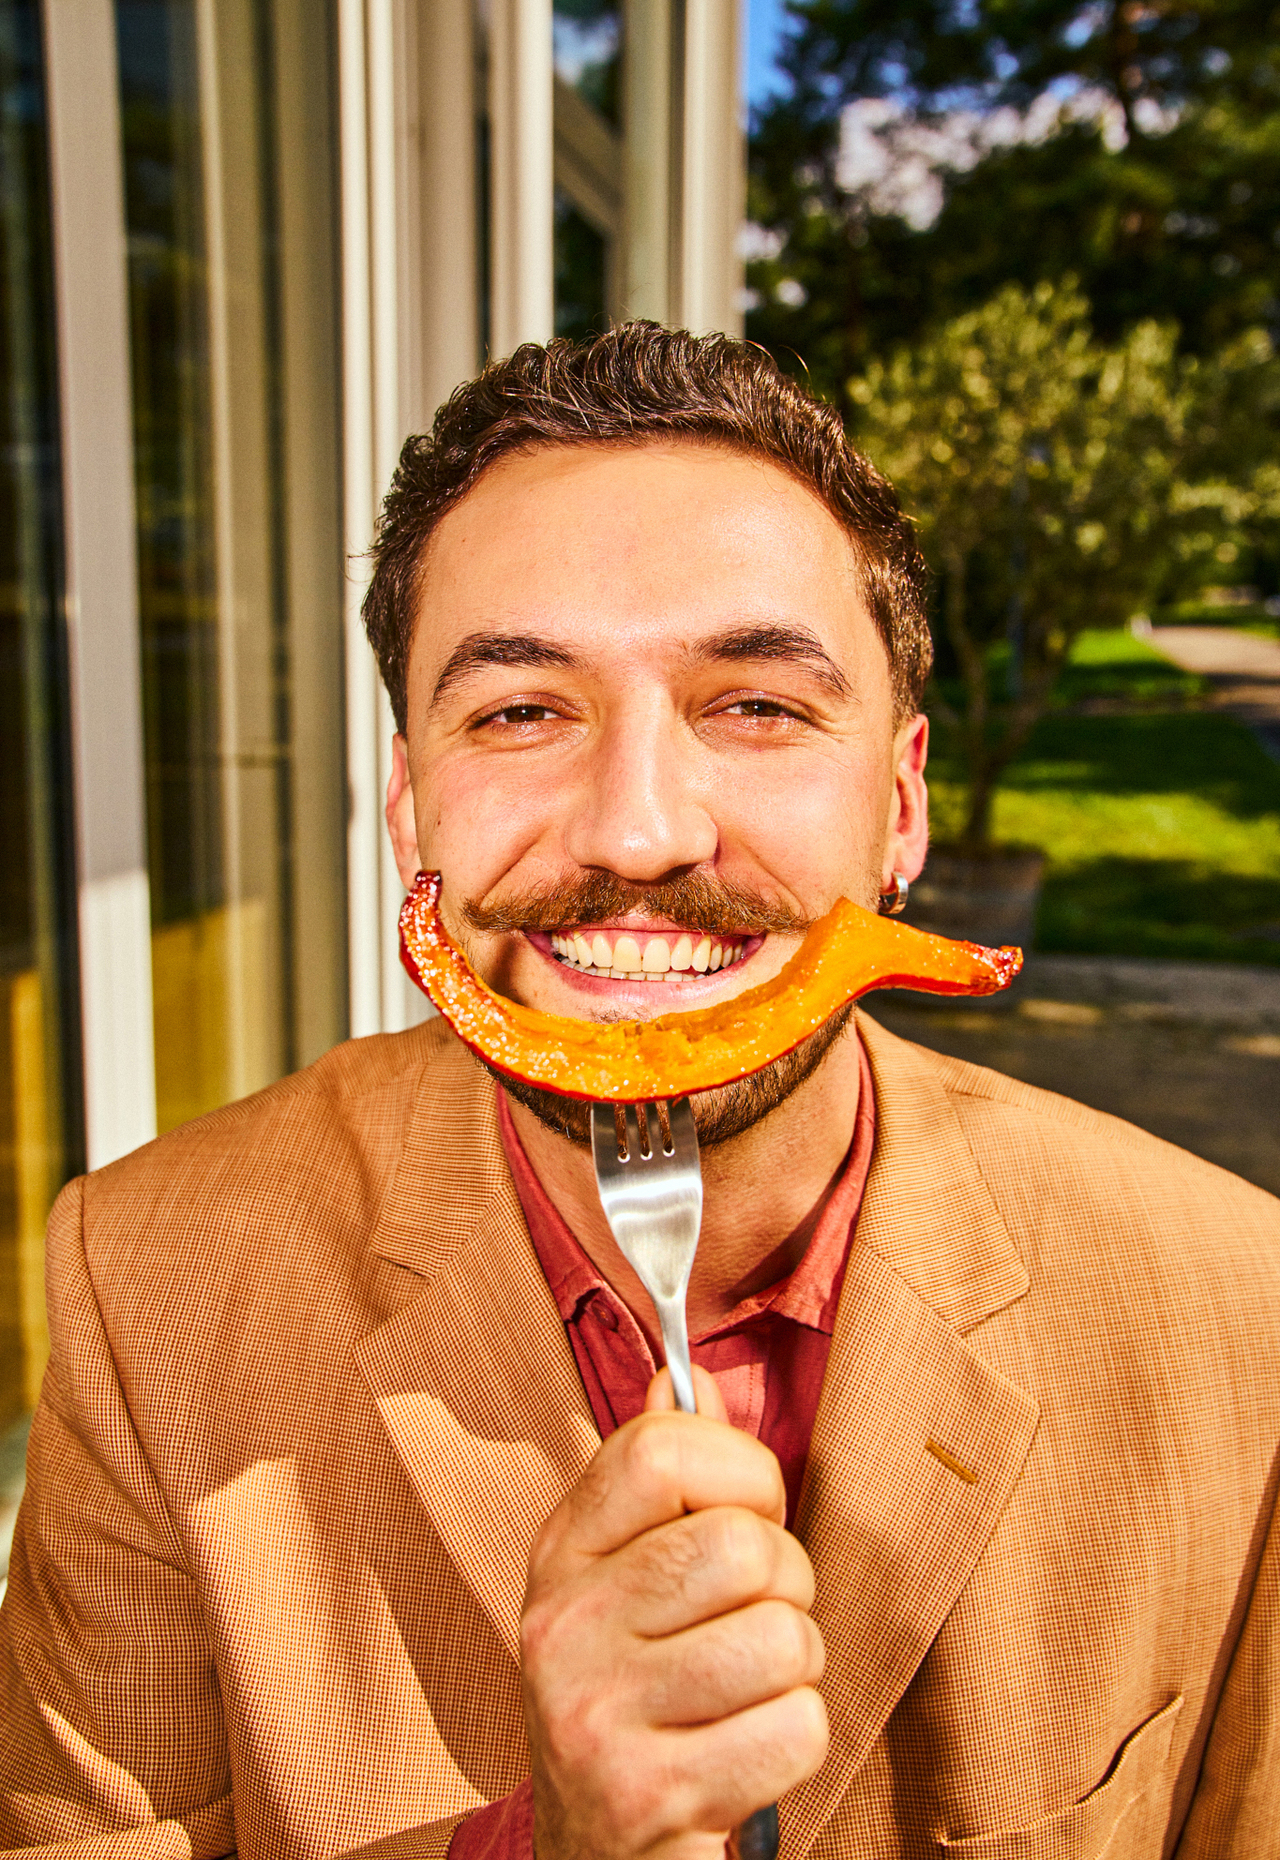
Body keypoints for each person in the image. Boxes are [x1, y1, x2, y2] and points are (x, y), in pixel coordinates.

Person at [2, 325, 1277, 1860]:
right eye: (522, 711)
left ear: (901, 805)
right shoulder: (148, 1284)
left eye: (757, 706)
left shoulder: (1240, 1313)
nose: (639, 832)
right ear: (410, 807)